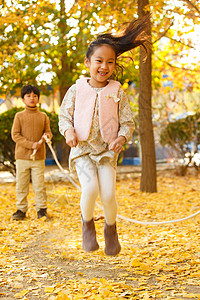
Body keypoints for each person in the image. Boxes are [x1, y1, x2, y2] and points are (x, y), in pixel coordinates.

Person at [59, 16, 150, 255]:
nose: (104, 67)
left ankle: (111, 229)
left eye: (110, 62)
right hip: (83, 150)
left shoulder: (116, 89)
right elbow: (64, 117)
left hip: (108, 151)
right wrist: (68, 131)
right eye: (99, 61)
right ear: (88, 62)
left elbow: (128, 121)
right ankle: (87, 224)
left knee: (108, 193)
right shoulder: (76, 89)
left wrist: (121, 138)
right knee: (90, 189)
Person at [11, 85, 52, 220]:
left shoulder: (43, 116)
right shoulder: (19, 116)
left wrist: (47, 136)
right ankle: (21, 210)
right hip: (22, 157)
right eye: (28, 96)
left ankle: (41, 210)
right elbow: (15, 135)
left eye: (35, 96)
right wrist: (31, 145)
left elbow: (48, 132)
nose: (32, 98)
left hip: (38, 158)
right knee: (21, 185)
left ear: (38, 99)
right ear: (23, 99)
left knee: (39, 185)